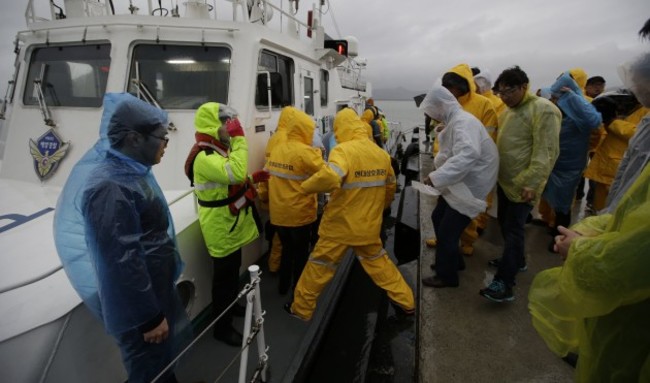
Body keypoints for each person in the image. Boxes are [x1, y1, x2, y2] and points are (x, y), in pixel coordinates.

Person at [53, 93, 192, 383]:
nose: (166, 144)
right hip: (141, 311)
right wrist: (148, 318)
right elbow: (119, 261)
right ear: (133, 139)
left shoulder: (129, 172)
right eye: (161, 137)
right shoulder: (110, 187)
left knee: (161, 366)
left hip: (152, 293)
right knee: (148, 370)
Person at [286, 108, 415, 321]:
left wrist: (305, 187)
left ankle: (301, 308)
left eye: (337, 130)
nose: (336, 135)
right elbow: (390, 188)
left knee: (319, 266)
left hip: (339, 226)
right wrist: (379, 210)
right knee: (379, 263)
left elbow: (330, 177)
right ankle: (406, 301)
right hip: (367, 226)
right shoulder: (381, 155)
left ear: (342, 128)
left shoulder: (343, 151)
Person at [184, 102, 268, 346]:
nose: (229, 127)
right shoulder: (204, 156)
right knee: (223, 280)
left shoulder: (216, 151)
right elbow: (235, 173)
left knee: (232, 273)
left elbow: (229, 182)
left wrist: (255, 178)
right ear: (212, 125)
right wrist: (240, 139)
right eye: (225, 123)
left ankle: (232, 307)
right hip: (220, 227)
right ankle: (222, 327)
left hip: (229, 223)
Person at [480, 66, 561, 302]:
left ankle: (505, 283)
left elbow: (546, 151)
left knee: (514, 231)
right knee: (507, 226)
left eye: (509, 91)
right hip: (506, 182)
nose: (504, 97)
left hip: (525, 185)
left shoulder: (544, 110)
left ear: (524, 86)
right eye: (501, 92)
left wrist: (533, 183)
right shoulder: (507, 111)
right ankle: (517, 260)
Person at [420, 86, 498, 288]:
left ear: (442, 105)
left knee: (447, 231)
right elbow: (450, 152)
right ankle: (455, 262)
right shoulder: (455, 121)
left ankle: (447, 277)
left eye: (434, 111)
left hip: (472, 184)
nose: (434, 117)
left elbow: (467, 155)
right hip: (463, 182)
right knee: (438, 217)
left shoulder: (463, 123)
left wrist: (437, 177)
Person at [539, 69, 602, 249]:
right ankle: (550, 225)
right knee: (549, 193)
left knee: (564, 200)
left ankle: (561, 235)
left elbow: (595, 123)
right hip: (553, 158)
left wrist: (573, 98)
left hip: (570, 162)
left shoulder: (581, 103)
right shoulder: (556, 100)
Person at [267, 106, 326, 294]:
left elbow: (266, 176)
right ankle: (298, 291)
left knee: (286, 251)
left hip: (278, 215)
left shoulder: (277, 150)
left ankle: (283, 287)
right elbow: (327, 175)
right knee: (301, 255)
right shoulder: (305, 152)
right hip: (300, 215)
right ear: (304, 130)